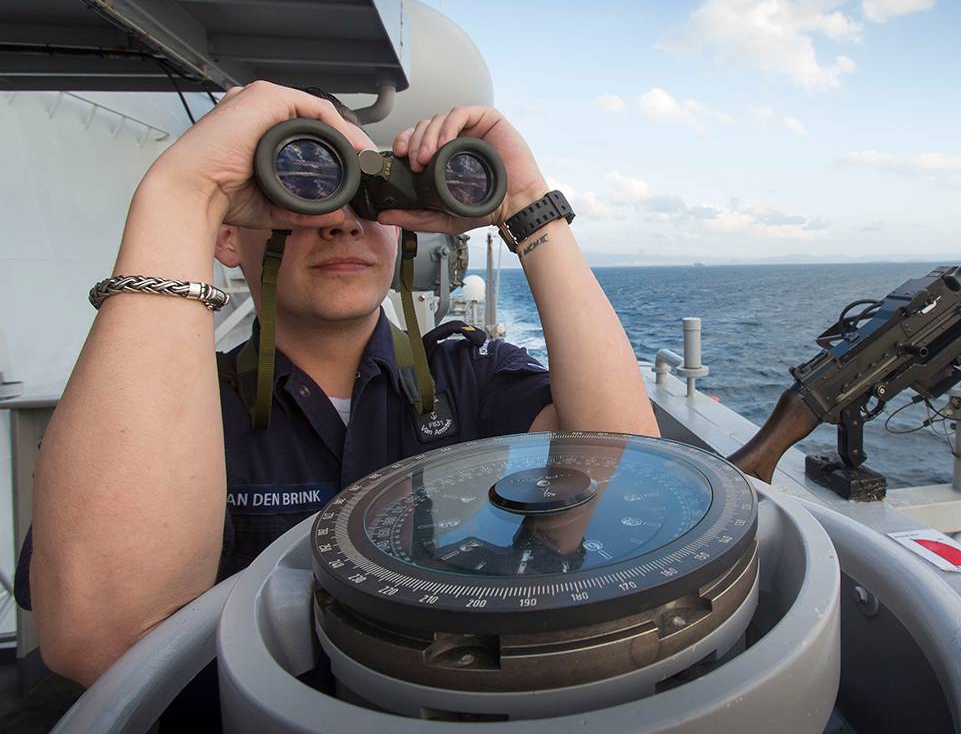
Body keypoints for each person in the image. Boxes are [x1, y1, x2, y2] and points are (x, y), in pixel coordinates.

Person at [23, 81, 659, 687]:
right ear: (226, 232)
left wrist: (528, 205)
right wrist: (185, 194)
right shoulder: (173, 412)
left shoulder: (468, 374)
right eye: (301, 187)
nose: (341, 221)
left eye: (366, 196)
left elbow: (634, 467)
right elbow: (101, 642)